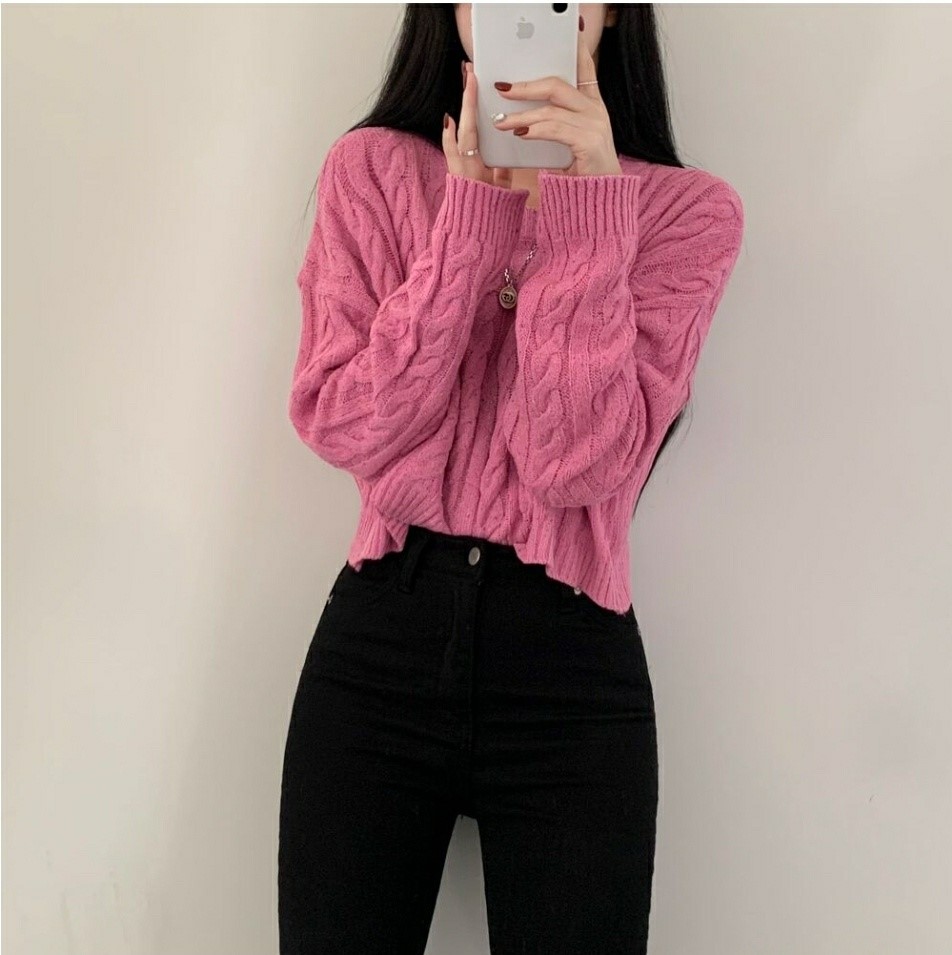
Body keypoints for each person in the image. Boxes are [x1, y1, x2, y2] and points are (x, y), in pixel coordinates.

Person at [279, 4, 744, 953]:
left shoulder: (688, 214)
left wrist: (589, 216)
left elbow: (574, 464)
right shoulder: (371, 170)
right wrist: (470, 225)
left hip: (571, 672)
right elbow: (345, 423)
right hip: (381, 642)